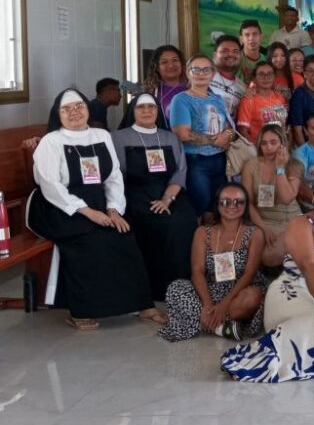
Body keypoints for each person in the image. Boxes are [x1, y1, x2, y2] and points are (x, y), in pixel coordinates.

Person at [26, 89, 164, 330]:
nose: (74, 112)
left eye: (79, 106)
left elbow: (113, 176)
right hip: (57, 206)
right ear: (58, 114)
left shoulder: (101, 135)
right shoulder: (51, 141)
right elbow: (50, 185)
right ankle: (82, 310)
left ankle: (142, 304)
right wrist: (88, 212)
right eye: (66, 109)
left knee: (124, 235)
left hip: (98, 201)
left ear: (87, 109)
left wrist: (113, 209)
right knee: (87, 238)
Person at [221, 171, 314, 382]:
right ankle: (264, 356)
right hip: (294, 291)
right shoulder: (301, 224)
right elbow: (309, 266)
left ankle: (309, 348)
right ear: (313, 197)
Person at [112, 94, 197, 301]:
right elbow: (114, 174)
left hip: (169, 192)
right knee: (160, 223)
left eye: (151, 107)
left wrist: (167, 199)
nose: (147, 111)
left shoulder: (170, 137)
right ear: (132, 111)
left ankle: (181, 286)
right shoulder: (117, 137)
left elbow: (180, 171)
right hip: (134, 193)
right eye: (141, 107)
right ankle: (155, 289)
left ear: (158, 111)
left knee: (185, 219)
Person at [160, 184, 268, 342]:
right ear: (217, 204)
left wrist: (224, 305)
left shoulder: (255, 233)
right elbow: (197, 271)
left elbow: (249, 273)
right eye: (225, 201)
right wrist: (208, 304)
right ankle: (221, 326)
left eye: (239, 202)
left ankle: (208, 321)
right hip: (209, 288)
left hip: (240, 288)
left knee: (253, 297)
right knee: (176, 288)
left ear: (245, 206)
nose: (232, 206)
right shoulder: (203, 232)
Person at [170, 55, 235, 213]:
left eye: (206, 70)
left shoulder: (217, 99)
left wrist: (227, 134)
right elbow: (182, 134)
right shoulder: (181, 99)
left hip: (221, 159)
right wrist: (214, 140)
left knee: (217, 207)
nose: (201, 73)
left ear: (212, 74)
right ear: (188, 72)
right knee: (200, 205)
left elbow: (229, 127)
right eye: (196, 69)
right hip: (195, 161)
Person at [241, 124, 303, 266]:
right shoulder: (251, 166)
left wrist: (280, 168)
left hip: (289, 220)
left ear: (282, 144)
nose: (268, 147)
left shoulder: (294, 165)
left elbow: (287, 198)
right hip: (262, 220)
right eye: (264, 143)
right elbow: (248, 203)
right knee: (253, 253)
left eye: (273, 142)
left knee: (270, 257)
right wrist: (263, 228)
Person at [235, 62, 289, 144]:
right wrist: (259, 148)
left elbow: (283, 125)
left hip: (279, 146)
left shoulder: (280, 97)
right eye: (261, 74)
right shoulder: (248, 100)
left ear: (274, 77)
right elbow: (242, 131)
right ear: (254, 78)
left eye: (270, 74)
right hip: (259, 146)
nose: (266, 77)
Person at [144, 44, 189, 120]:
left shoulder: (194, 86)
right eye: (164, 62)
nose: (171, 65)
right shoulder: (151, 91)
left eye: (175, 60)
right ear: (157, 67)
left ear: (182, 63)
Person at [209, 35, 246, 122]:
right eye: (225, 51)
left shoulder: (243, 88)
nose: (231, 54)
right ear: (214, 55)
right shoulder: (203, 76)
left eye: (235, 51)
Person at [238, 19, 265, 83]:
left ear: (261, 36)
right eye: (247, 35)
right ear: (241, 39)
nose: (251, 38)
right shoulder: (235, 59)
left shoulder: (267, 60)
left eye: (255, 34)